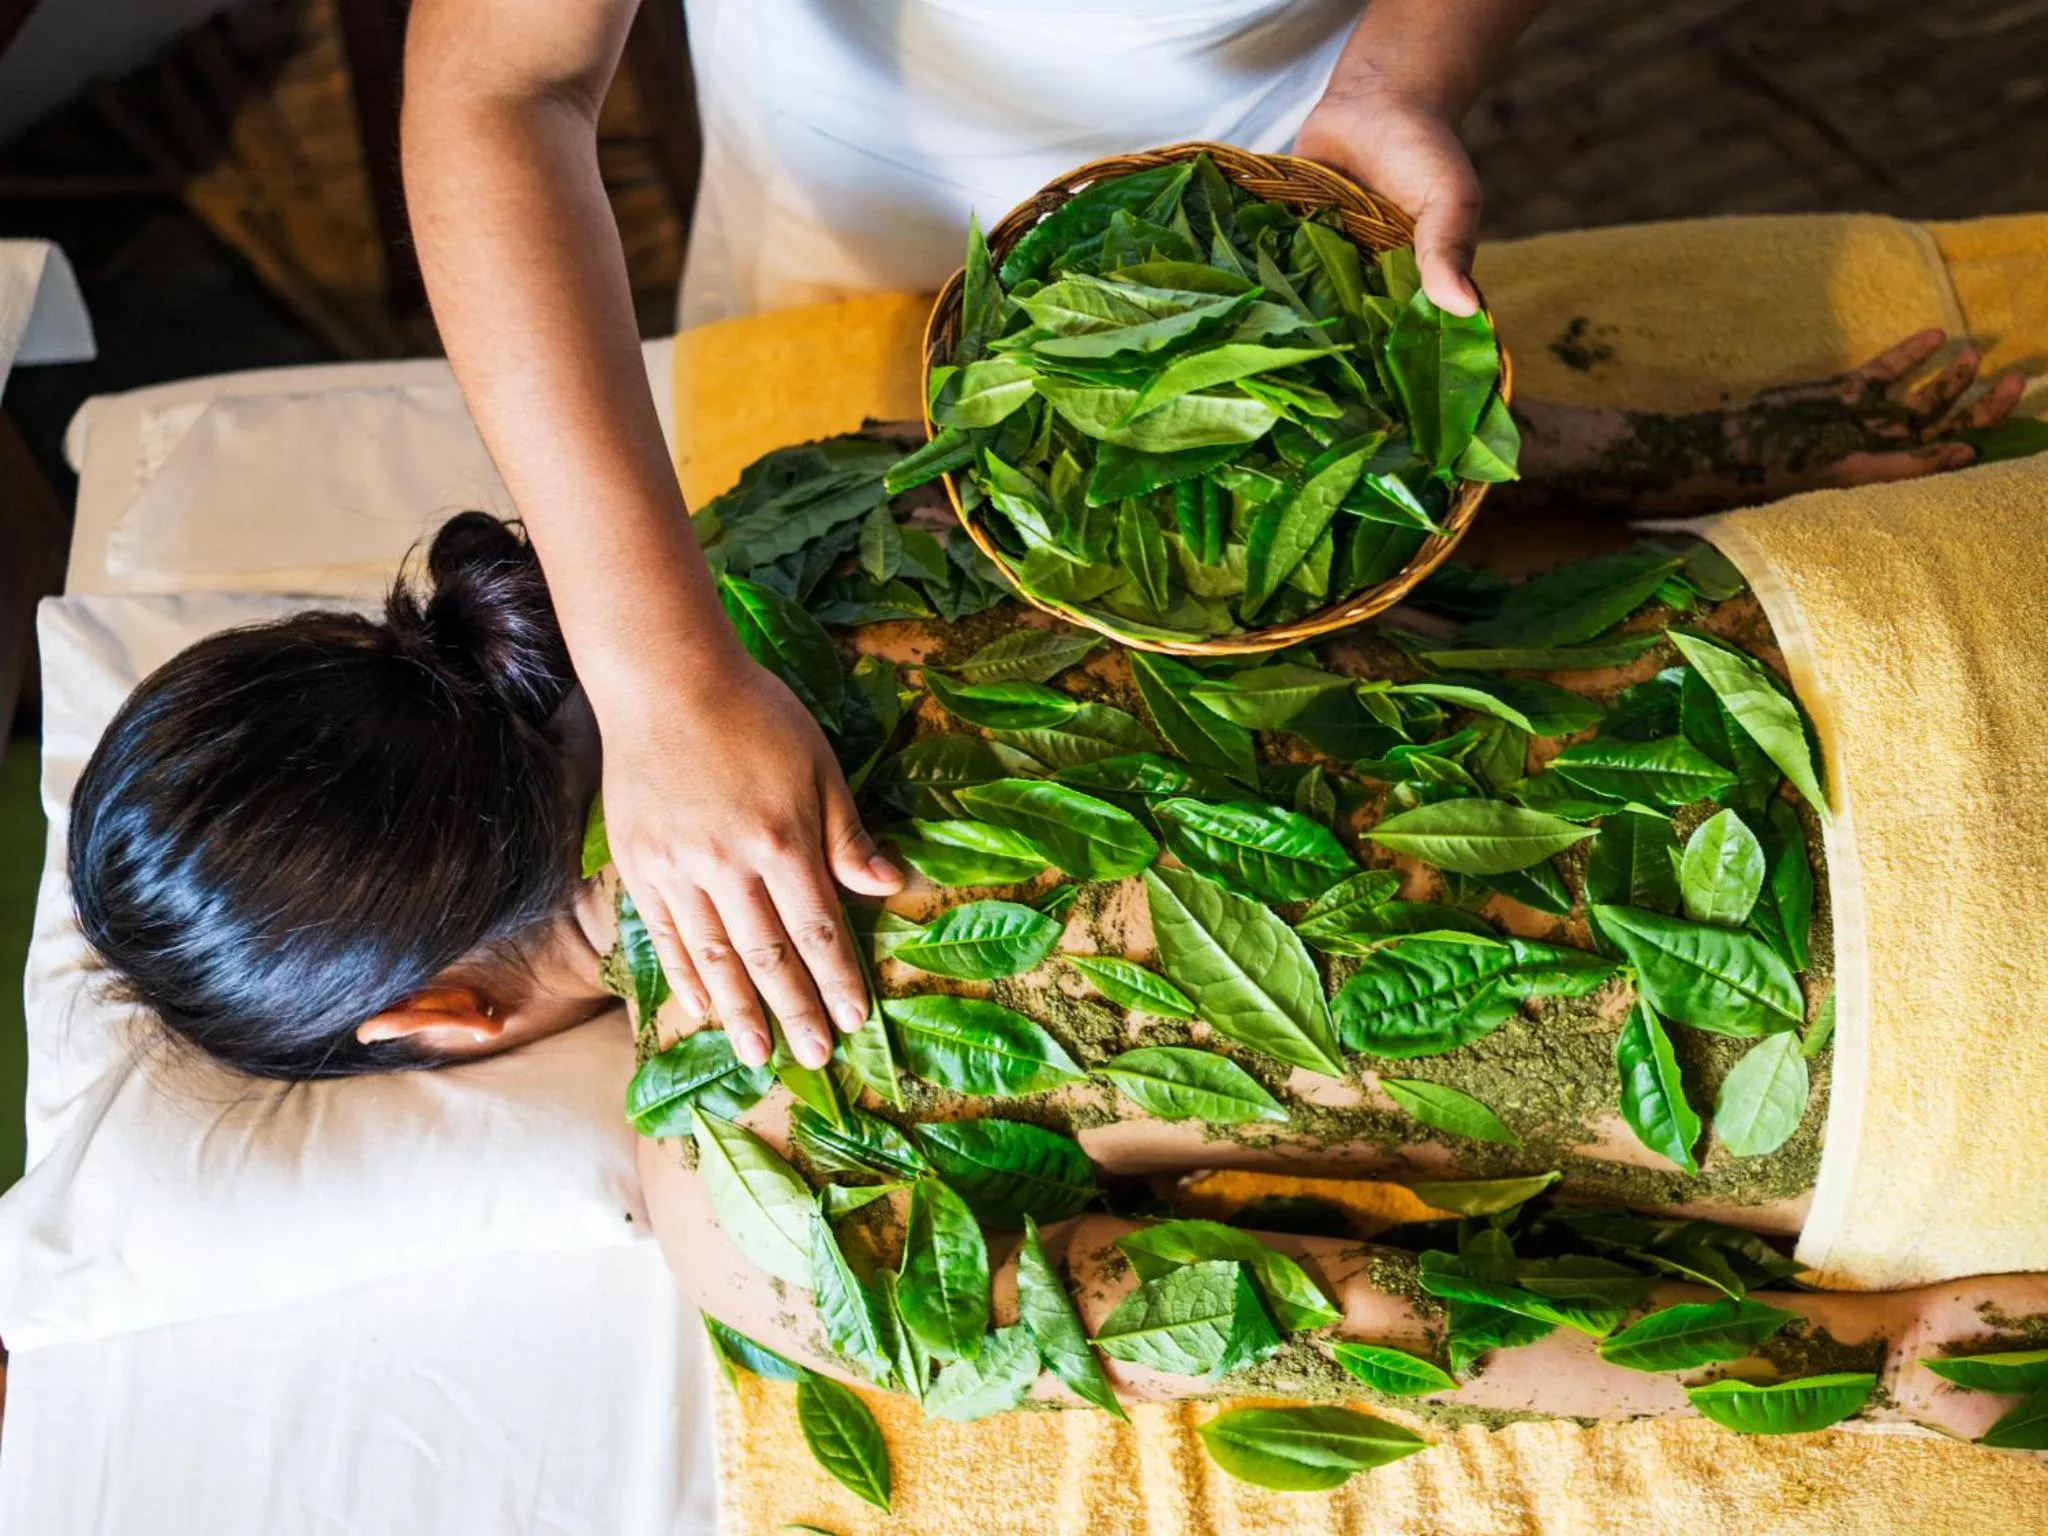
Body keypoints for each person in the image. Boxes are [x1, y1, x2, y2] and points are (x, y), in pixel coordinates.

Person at [65, 475, 2048, 1440]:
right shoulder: (807, 533)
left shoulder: (762, 1213)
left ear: (432, 1016)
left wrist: (1861, 1367)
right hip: (1889, 606)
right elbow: (1409, 521)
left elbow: (1340, 1319)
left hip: (1925, 1031)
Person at [396, 0, 1561, 1076]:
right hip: (831, 207)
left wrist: (1399, 76)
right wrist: (663, 684)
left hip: (1265, 205)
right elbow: (501, 80)